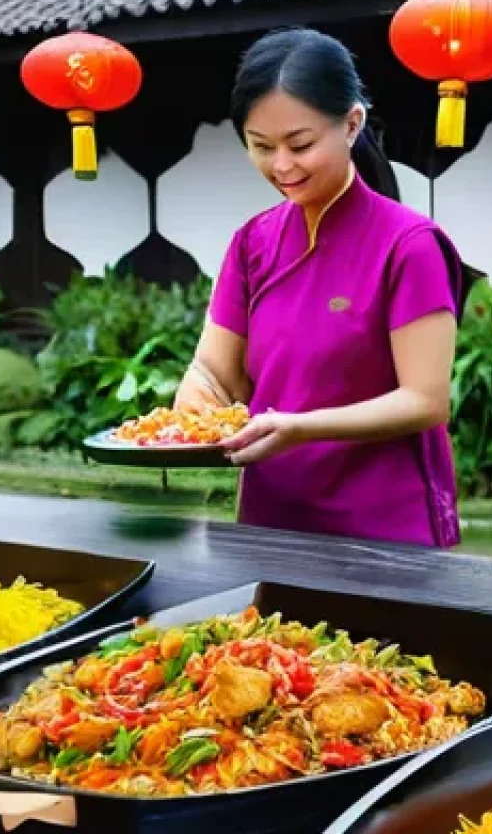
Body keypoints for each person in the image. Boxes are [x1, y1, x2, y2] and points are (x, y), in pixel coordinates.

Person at [175, 27, 471, 549]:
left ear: (352, 124)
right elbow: (215, 369)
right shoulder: (252, 243)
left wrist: (301, 427)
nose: (281, 166)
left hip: (385, 526)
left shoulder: (410, 245)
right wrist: (196, 401)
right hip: (272, 517)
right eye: (261, 147)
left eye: (301, 144)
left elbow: (426, 401)